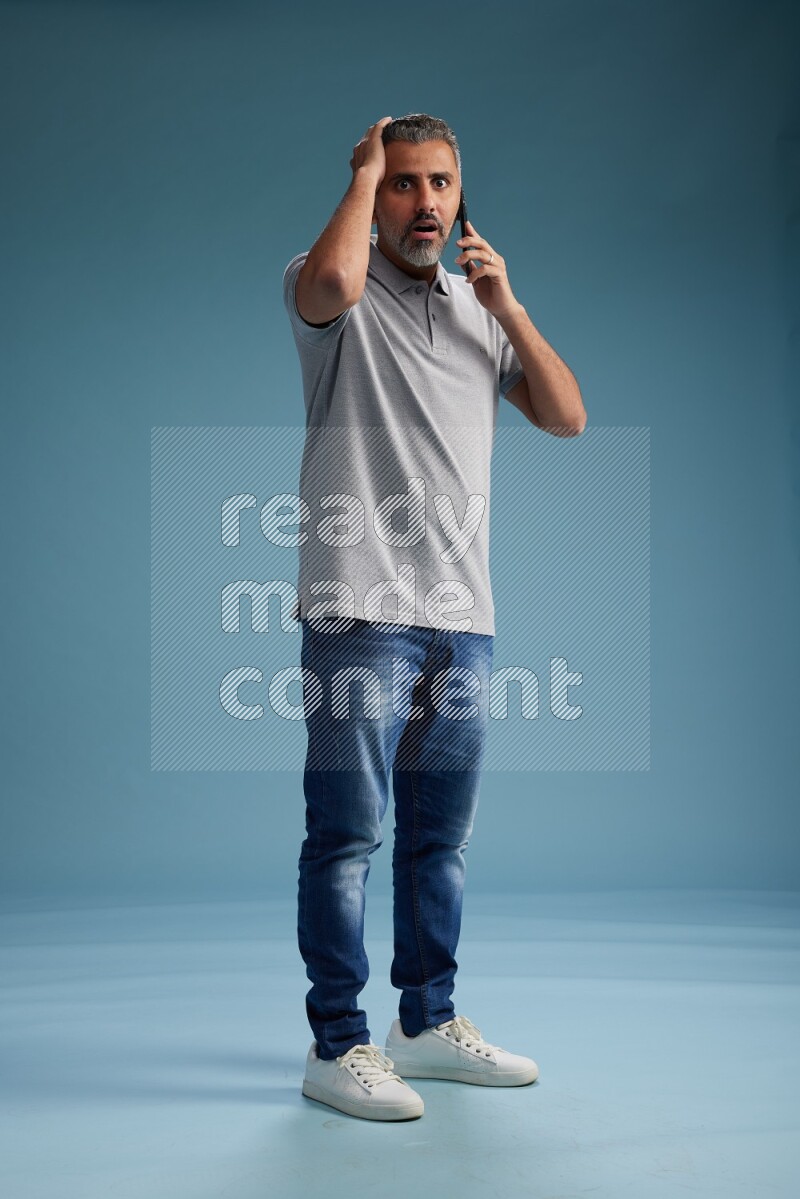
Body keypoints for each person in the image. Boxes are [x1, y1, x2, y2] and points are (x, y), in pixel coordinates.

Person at [282, 113, 586, 1122]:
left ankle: (423, 1023)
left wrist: (507, 303)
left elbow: (564, 413)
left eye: (439, 183)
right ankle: (337, 1043)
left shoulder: (475, 309)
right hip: (359, 603)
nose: (424, 202)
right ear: (380, 194)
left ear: (462, 193)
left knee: (438, 841)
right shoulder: (339, 285)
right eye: (404, 183)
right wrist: (359, 177)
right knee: (345, 837)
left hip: (463, 612)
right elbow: (325, 285)